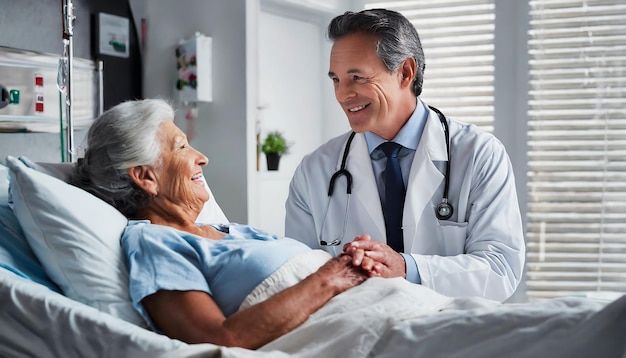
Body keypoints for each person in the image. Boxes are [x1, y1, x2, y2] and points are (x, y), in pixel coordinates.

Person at [70, 98, 370, 349]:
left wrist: (362, 262)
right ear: (146, 176)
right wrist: (331, 277)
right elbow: (219, 339)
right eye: (182, 147)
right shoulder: (155, 243)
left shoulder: (231, 231)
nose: (202, 158)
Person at [284, 8, 525, 302]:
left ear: (405, 72)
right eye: (336, 79)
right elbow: (296, 275)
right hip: (356, 336)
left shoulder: (479, 154)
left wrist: (405, 268)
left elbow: (500, 269)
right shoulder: (315, 170)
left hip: (452, 337)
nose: (343, 95)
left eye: (357, 77)